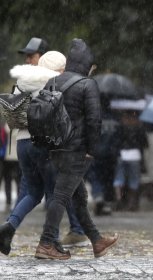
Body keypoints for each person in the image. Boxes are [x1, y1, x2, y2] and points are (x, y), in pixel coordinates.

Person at [35, 38, 119, 260]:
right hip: (77, 150)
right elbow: (94, 121)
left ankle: (97, 240)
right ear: (85, 64)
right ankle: (46, 244)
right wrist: (92, 149)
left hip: (56, 149)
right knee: (61, 196)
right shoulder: (87, 84)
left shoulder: (53, 81)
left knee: (78, 197)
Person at [18, 37, 89, 248]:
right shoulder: (34, 80)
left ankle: (59, 235)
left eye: (32, 56)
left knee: (54, 190)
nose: (29, 60)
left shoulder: (55, 81)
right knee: (54, 189)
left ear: (42, 57)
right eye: (27, 56)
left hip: (50, 144)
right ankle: (75, 231)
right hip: (44, 143)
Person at [0, 51, 65, 255]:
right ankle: (51, 242)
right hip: (41, 142)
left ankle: (9, 227)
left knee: (33, 192)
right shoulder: (49, 81)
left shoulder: (23, 80)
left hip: (21, 143)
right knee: (55, 192)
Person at [112, 110, 148, 211]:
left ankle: (119, 198)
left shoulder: (120, 126)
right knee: (134, 180)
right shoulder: (139, 127)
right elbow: (145, 144)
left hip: (122, 154)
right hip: (135, 155)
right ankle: (131, 203)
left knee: (119, 178)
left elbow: (115, 141)